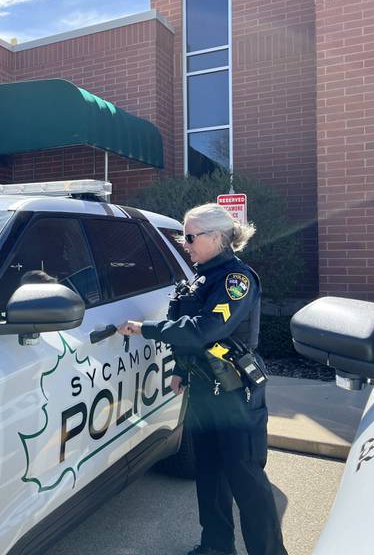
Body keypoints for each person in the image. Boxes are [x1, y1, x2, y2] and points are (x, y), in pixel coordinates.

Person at [117, 203, 287, 555]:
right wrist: (180, 370)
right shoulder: (202, 277)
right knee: (209, 476)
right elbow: (190, 332)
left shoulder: (236, 280)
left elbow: (206, 329)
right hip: (203, 391)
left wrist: (145, 329)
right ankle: (216, 547)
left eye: (190, 236)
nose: (185, 243)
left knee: (246, 481)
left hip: (235, 395)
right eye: (183, 236)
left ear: (216, 237)